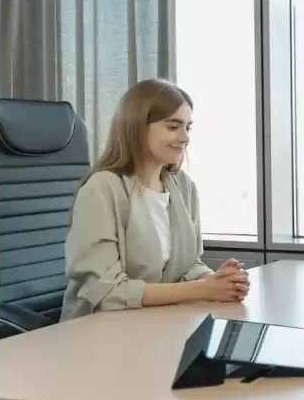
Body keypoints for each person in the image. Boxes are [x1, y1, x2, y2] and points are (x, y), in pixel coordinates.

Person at [61, 79, 250, 321]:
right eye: (173, 127)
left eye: (188, 127)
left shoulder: (184, 187)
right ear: (138, 128)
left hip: (158, 324)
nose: (185, 138)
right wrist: (203, 290)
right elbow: (108, 293)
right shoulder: (101, 189)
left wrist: (215, 280)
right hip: (99, 333)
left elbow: (189, 265)